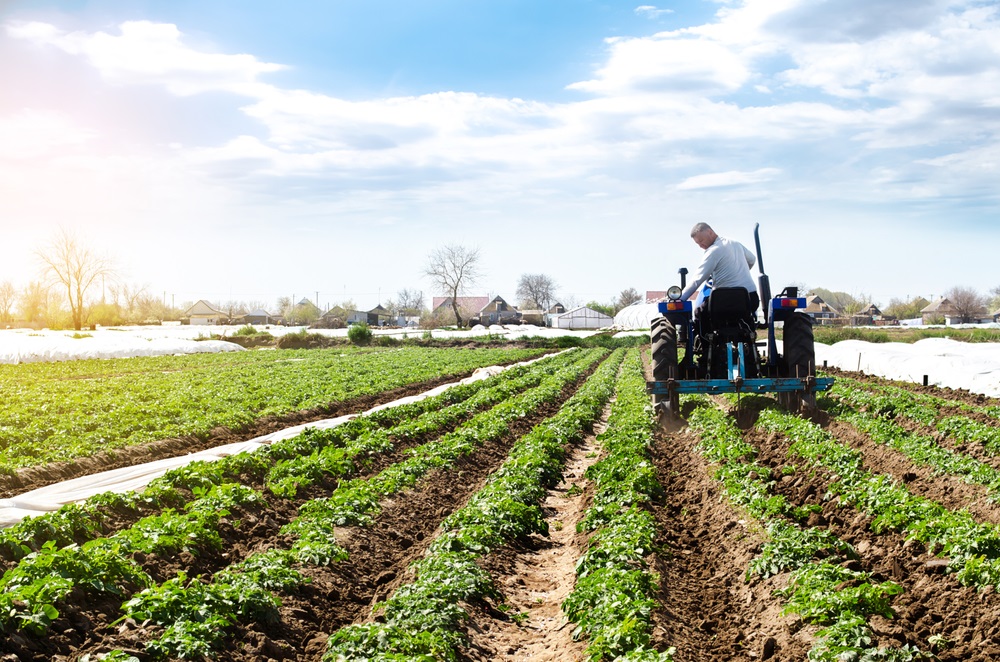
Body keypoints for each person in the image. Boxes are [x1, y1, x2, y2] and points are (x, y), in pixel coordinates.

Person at [680, 222, 759, 314]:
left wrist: (679, 298)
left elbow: (697, 279)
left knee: (699, 314)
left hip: (725, 300)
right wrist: (738, 273)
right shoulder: (734, 243)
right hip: (751, 298)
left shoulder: (713, 251)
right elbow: (752, 259)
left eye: (701, 241)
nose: (700, 246)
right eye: (698, 243)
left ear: (710, 232)